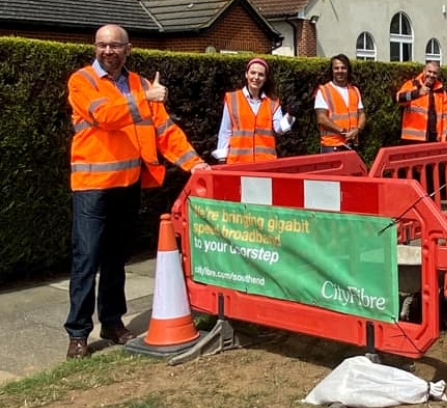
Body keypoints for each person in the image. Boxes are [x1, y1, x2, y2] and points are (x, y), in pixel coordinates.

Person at [65, 24, 209, 359]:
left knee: (116, 259)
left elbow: (164, 131)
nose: (108, 51)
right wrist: (145, 98)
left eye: (115, 46)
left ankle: (112, 323)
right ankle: (78, 333)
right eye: (102, 45)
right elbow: (104, 116)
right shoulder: (82, 80)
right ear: (95, 48)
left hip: (127, 185)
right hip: (91, 187)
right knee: (87, 259)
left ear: (128, 49)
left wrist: (195, 164)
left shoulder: (140, 84)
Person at [213, 58, 296, 163]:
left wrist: (290, 115)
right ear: (246, 74)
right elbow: (225, 131)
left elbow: (279, 129)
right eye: (253, 73)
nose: (256, 77)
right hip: (238, 163)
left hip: (264, 164)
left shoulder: (273, 103)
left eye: (261, 74)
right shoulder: (232, 99)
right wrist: (222, 157)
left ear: (265, 78)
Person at [315, 54, 366, 152]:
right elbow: (321, 118)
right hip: (332, 145)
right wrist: (342, 131)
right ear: (332, 70)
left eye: (343, 68)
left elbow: (362, 114)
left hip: (352, 144)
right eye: (336, 68)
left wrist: (358, 130)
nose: (340, 71)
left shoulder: (354, 90)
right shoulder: (323, 90)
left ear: (348, 70)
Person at [396, 61, 447, 144]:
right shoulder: (413, 84)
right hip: (413, 139)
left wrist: (444, 138)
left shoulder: (441, 91)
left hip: (434, 139)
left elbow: (445, 117)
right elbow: (399, 98)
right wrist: (418, 93)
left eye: (434, 73)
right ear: (424, 71)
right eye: (429, 71)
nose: (431, 75)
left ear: (437, 75)